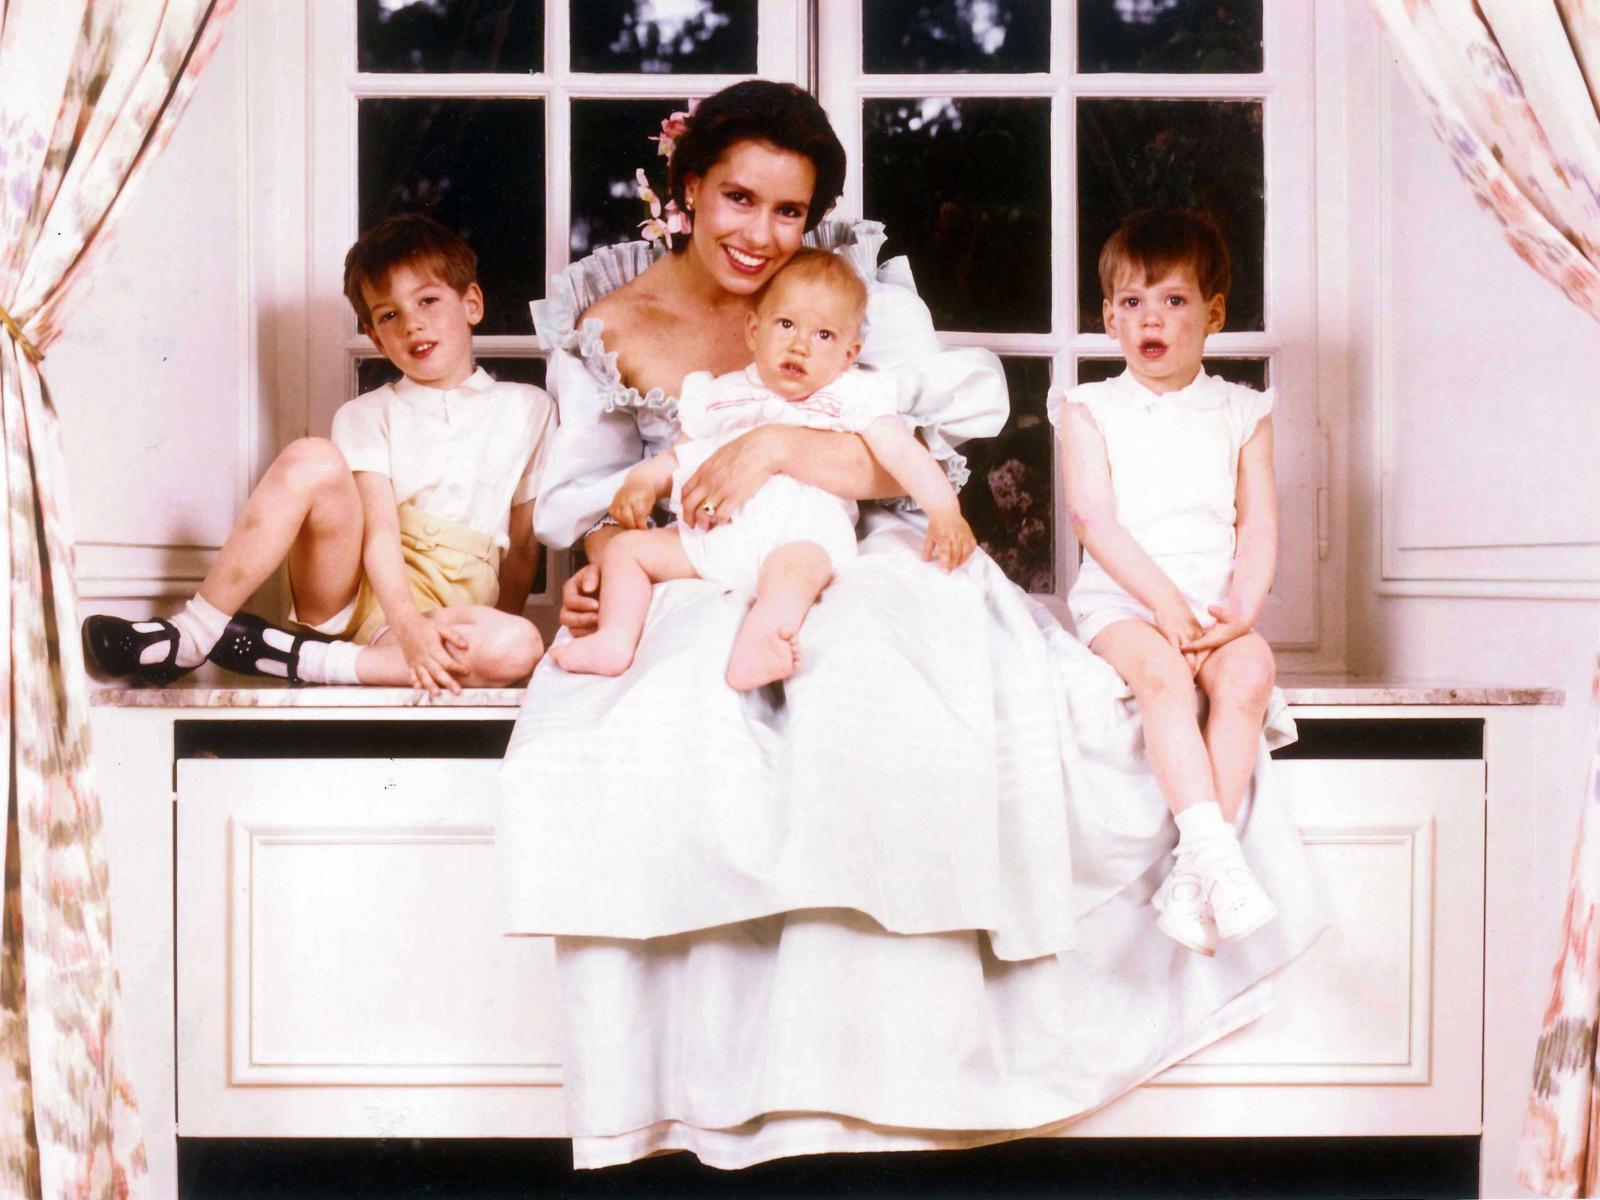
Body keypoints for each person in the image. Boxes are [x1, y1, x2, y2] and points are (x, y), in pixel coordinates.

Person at [496, 80, 1325, 1169]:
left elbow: (910, 463)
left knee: (885, 684)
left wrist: (781, 450)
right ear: (687, 188)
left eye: (786, 212)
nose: (759, 234)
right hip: (699, 561)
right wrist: (611, 555)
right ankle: (713, 1077)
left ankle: (906, 1069)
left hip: (848, 537)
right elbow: (591, 500)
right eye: (736, 199)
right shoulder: (609, 320)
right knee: (670, 715)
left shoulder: (850, 295)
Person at [82, 213, 550, 694]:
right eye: (389, 315)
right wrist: (408, 626)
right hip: (363, 591)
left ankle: (306, 659)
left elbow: (524, 546)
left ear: (471, 303)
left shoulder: (529, 408)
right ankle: (191, 635)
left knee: (521, 648)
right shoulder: (367, 413)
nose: (413, 324)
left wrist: (488, 645)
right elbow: (381, 531)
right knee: (312, 457)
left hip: (457, 604)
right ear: (374, 336)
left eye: (428, 300)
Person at [552, 248, 976, 687]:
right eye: (787, 325)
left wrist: (945, 511)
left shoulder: (853, 397)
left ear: (850, 354)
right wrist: (641, 482)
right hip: (713, 538)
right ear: (754, 331)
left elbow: (904, 454)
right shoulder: (719, 395)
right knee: (626, 551)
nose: (800, 345)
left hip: (800, 535)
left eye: (824, 336)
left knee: (794, 576)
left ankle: (757, 647)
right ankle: (615, 640)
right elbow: (681, 455)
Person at [1056, 209, 1280, 956]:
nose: (1151, 317)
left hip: (1210, 607)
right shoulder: (1089, 408)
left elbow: (1259, 527)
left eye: (1174, 300)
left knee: (1250, 672)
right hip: (1126, 603)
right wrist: (1163, 607)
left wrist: (1237, 614)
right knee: (1162, 680)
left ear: (1212, 313)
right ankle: (1218, 853)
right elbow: (1094, 520)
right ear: (1109, 318)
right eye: (1131, 302)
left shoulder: (1243, 412)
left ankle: (1190, 874)